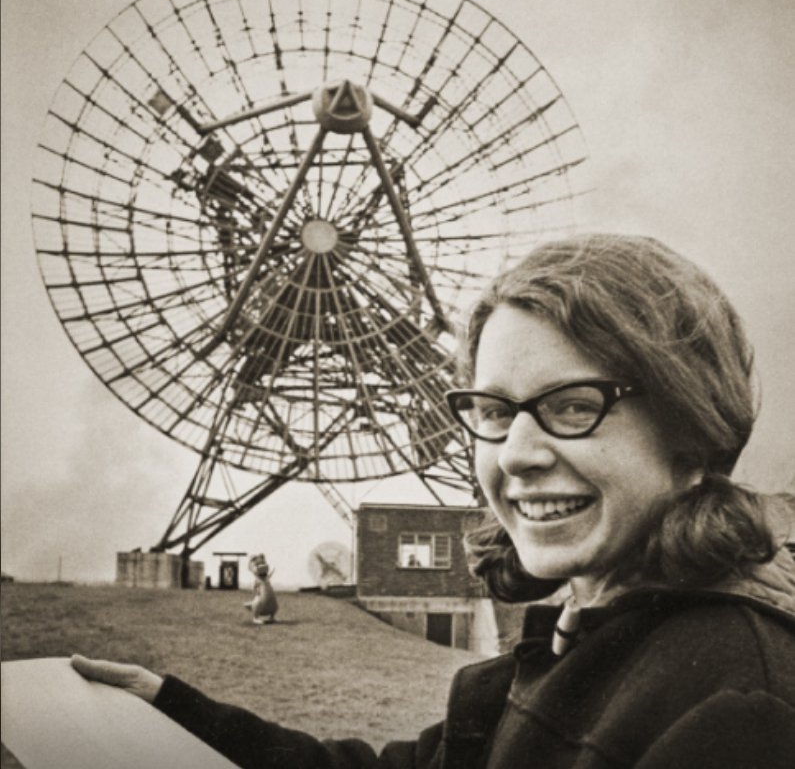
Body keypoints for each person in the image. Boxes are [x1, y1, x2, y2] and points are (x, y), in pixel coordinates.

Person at [72, 234, 795, 767]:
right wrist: (175, 713)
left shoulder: (739, 702)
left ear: (692, 434)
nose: (515, 452)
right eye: (491, 409)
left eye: (574, 406)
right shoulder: (581, 633)